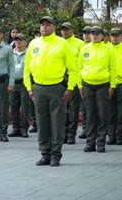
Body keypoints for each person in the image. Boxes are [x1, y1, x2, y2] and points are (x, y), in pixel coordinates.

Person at [24, 16, 77, 167]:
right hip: (38, 88)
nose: (45, 27)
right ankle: (44, 153)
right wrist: (29, 87)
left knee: (57, 123)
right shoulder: (34, 43)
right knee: (42, 123)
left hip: (56, 88)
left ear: (54, 27)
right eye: (42, 25)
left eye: (48, 24)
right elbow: (27, 69)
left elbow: (73, 69)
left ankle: (56, 155)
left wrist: (70, 88)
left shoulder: (63, 44)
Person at [77, 26, 117, 153]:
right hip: (87, 84)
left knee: (102, 114)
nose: (94, 36)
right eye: (92, 33)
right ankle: (90, 143)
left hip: (103, 84)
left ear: (102, 36)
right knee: (89, 115)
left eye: (97, 34)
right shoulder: (84, 49)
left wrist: (113, 86)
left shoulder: (108, 49)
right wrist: (79, 85)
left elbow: (113, 68)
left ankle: (101, 143)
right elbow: (79, 68)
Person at [60, 22, 84, 145]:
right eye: (63, 30)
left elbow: (83, 64)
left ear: (72, 30)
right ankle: (62, 133)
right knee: (62, 107)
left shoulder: (80, 44)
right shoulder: (58, 43)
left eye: (67, 30)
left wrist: (80, 82)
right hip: (60, 78)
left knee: (73, 108)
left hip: (73, 78)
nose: (64, 32)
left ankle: (71, 134)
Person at [108, 28, 122, 145]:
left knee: (121, 111)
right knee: (110, 111)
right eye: (113, 35)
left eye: (117, 35)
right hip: (109, 83)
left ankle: (119, 135)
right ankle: (111, 136)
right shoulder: (106, 49)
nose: (115, 37)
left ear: (121, 36)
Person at [9, 33, 30, 138]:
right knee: (14, 107)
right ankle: (15, 128)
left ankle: (24, 128)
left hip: (24, 84)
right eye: (16, 40)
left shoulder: (29, 53)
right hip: (13, 83)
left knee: (25, 107)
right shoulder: (11, 53)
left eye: (20, 40)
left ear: (25, 42)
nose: (18, 42)